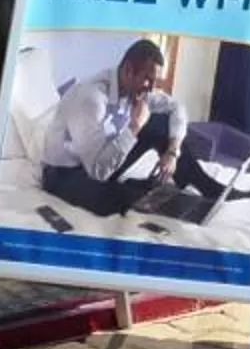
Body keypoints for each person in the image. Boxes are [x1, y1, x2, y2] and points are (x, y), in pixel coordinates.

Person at [40, 39, 184, 216]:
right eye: (148, 79)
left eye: (155, 81)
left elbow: (177, 107)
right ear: (128, 70)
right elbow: (97, 171)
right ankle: (145, 189)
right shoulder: (91, 98)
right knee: (118, 201)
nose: (152, 88)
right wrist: (135, 126)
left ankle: (206, 190)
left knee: (162, 124)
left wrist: (172, 153)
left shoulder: (138, 89)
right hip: (64, 173)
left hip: (102, 159)